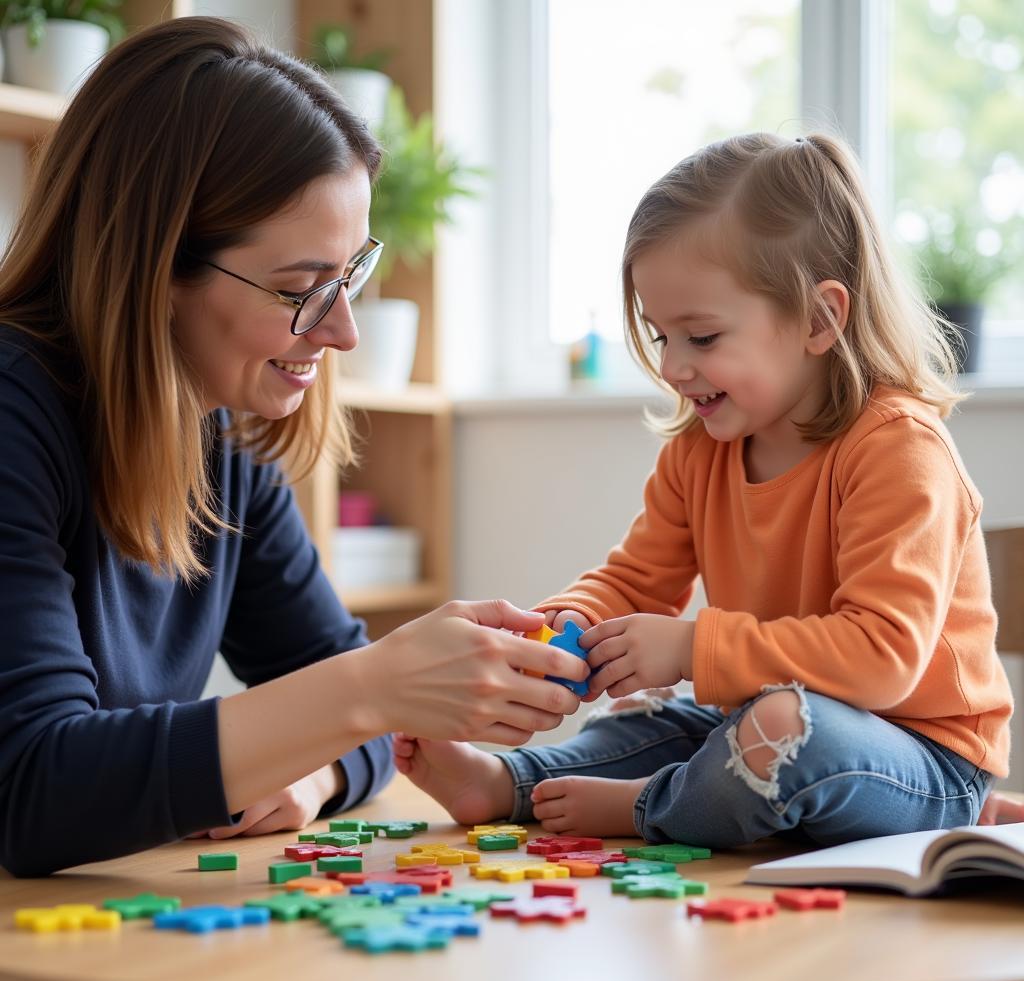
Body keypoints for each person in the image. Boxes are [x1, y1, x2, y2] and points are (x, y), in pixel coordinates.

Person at [0, 17, 585, 879]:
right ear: (156, 265)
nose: (344, 331)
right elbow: (33, 791)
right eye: (304, 288)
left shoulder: (223, 439)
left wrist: (318, 768)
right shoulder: (16, 413)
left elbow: (371, 724)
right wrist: (371, 689)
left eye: (350, 277)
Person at [395, 132, 1019, 849]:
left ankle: (647, 808)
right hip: (759, 717)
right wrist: (560, 627)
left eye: (702, 337)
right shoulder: (702, 450)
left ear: (820, 319)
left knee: (780, 732)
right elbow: (636, 581)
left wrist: (694, 648)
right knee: (652, 717)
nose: (673, 367)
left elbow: (881, 658)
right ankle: (513, 783)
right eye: (662, 337)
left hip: (925, 764)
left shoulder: (900, 450)